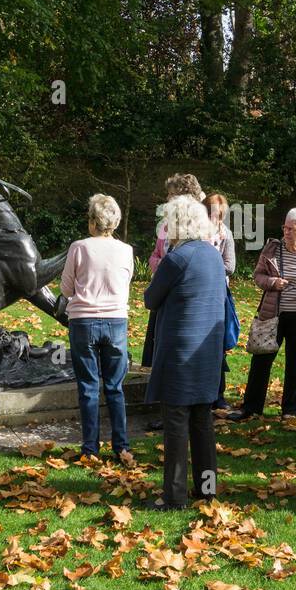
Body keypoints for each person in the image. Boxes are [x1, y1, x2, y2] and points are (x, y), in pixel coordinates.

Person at [143, 195, 227, 510]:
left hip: (180, 353)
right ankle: (207, 490)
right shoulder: (213, 256)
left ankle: (174, 497)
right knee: (203, 425)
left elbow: (150, 299)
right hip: (207, 353)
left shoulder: (177, 259)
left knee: (176, 427)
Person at [225, 208, 296, 421]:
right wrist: (272, 282)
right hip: (273, 314)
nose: (286, 232)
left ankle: (290, 411)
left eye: (292, 229)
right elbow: (258, 275)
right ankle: (251, 408)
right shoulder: (272, 249)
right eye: (285, 227)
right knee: (261, 360)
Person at [60, 194, 135, 462]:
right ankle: (122, 446)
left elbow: (66, 288)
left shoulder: (79, 247)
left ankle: (90, 448)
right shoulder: (126, 250)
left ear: (93, 221)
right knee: (115, 387)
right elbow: (126, 282)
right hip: (116, 320)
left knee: (88, 388)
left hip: (83, 320)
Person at [206, 193, 237, 410]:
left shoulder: (225, 234)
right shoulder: (195, 233)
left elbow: (230, 265)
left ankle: (218, 395)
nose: (212, 216)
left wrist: (206, 268)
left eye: (216, 212)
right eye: (209, 211)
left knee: (218, 346)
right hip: (199, 296)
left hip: (218, 295)